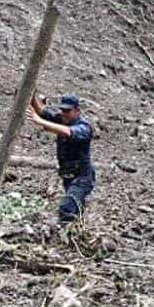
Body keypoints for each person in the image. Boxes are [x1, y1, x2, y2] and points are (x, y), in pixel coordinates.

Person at [25, 93, 95, 225]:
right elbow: (42, 111)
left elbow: (68, 132)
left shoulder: (84, 127)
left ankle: (63, 235)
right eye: (62, 110)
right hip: (68, 177)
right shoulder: (62, 119)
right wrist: (31, 93)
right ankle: (76, 235)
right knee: (75, 212)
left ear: (77, 111)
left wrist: (39, 121)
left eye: (68, 111)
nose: (64, 113)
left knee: (67, 208)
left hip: (82, 178)